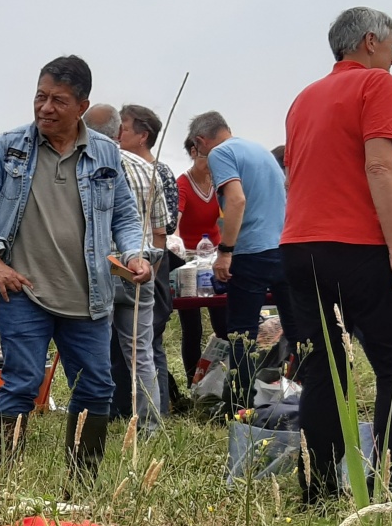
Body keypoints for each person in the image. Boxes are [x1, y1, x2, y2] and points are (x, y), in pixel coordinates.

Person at [0, 56, 150, 481]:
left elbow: (125, 218)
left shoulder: (106, 154)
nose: (45, 108)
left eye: (58, 100)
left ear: (82, 105)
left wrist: (135, 254)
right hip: (24, 293)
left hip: (88, 295)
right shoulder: (10, 148)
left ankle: (83, 482)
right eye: (40, 97)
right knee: (21, 384)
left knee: (97, 387)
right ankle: (5, 481)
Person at [281, 6, 392, 499]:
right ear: (370, 41)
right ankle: (387, 486)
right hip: (357, 245)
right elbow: (380, 167)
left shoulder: (303, 98)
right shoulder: (376, 85)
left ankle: (317, 489)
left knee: (325, 369)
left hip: (300, 246)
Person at [186, 111, 289, 415]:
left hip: (251, 251)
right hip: (282, 247)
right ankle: (297, 396)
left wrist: (226, 250)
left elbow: (237, 200)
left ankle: (241, 405)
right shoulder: (258, 150)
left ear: (201, 141)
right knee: (296, 330)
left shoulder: (220, 153)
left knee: (241, 334)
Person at [84, 103, 168, 433]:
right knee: (141, 354)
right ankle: (150, 426)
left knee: (96, 352)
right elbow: (161, 231)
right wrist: (150, 268)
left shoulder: (87, 167)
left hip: (101, 268)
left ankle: (95, 422)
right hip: (139, 269)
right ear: (120, 132)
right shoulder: (146, 168)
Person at [119, 103, 180, 414]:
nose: (119, 135)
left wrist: (154, 271)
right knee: (144, 345)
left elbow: (164, 229)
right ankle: (153, 411)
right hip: (148, 265)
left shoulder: (161, 173)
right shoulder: (150, 171)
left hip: (143, 264)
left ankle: (159, 407)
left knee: (148, 343)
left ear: (143, 135)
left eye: (125, 129)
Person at [174, 139, 227, 383]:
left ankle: (223, 383)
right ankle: (192, 383)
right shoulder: (182, 184)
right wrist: (175, 242)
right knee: (192, 327)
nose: (212, 164)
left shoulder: (219, 182)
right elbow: (175, 220)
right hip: (188, 262)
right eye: (208, 157)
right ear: (194, 153)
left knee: (223, 324)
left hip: (215, 258)